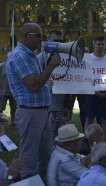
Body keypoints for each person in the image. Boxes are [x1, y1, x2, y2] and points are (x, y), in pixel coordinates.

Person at [6, 23, 61, 181]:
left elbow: (37, 83)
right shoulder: (20, 56)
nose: (41, 39)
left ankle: (41, 182)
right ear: (25, 36)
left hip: (40, 112)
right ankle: (23, 183)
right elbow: (34, 84)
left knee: (46, 158)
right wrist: (50, 67)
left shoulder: (29, 55)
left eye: (41, 35)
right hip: (31, 113)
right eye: (38, 36)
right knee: (28, 161)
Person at [37, 30, 72, 139]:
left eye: (61, 41)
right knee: (49, 139)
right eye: (55, 41)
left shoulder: (68, 57)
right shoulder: (40, 58)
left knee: (63, 140)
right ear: (48, 41)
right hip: (48, 106)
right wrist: (45, 81)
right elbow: (34, 79)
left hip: (64, 107)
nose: (58, 44)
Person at [85, 36, 106, 141]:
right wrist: (95, 91)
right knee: (89, 118)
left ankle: (105, 142)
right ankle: (87, 142)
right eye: (99, 44)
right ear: (94, 44)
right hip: (92, 93)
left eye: (102, 44)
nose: (101, 46)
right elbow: (86, 77)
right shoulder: (88, 59)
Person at [0, 62, 16, 127]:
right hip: (3, 91)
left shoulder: (16, 65)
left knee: (14, 107)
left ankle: (13, 122)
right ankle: (1, 123)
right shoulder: (2, 65)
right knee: (0, 108)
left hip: (13, 91)